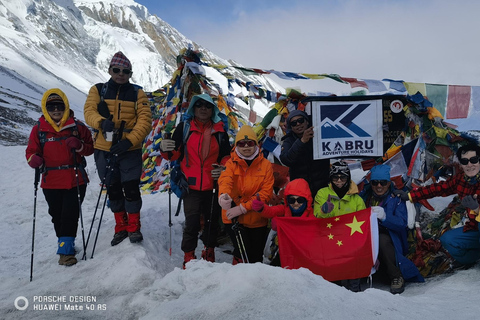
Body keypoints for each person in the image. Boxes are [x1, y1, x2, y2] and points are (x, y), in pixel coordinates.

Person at [84, 51, 152, 245]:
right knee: (113, 188)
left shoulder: (138, 93)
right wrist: (100, 122)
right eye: (117, 70)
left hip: (129, 150)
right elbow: (89, 111)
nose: (121, 74)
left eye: (125, 71)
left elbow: (145, 121)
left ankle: (133, 227)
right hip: (104, 149)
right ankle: (120, 226)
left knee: (130, 188)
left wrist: (130, 141)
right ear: (110, 70)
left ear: (130, 73)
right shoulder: (98, 90)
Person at [160, 94, 231, 268]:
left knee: (211, 221)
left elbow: (226, 156)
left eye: (207, 106)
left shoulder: (220, 131)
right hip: (190, 184)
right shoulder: (184, 127)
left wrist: (223, 168)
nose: (203, 108)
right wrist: (164, 149)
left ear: (212, 109)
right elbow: (174, 153)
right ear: (194, 108)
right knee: (191, 222)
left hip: (213, 184)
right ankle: (188, 255)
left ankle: (209, 250)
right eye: (199, 105)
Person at [26, 88, 94, 266]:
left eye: (59, 106)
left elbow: (90, 148)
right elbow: (31, 151)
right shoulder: (38, 130)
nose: (56, 110)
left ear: (66, 106)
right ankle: (66, 243)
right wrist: (33, 159)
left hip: (75, 179)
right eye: (51, 107)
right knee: (56, 215)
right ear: (45, 109)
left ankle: (65, 252)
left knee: (69, 215)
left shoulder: (78, 128)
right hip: (50, 181)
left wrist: (79, 146)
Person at [394, 143, 480, 267]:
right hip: (474, 228)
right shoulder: (461, 179)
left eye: (474, 160)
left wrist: (476, 208)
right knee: (448, 240)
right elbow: (439, 188)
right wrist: (410, 196)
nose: (469, 164)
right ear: (460, 164)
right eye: (465, 161)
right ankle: (473, 260)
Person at [360, 164, 424, 294]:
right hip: (367, 236)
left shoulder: (397, 199)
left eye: (383, 183)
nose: (379, 186)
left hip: (391, 239)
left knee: (382, 240)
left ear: (389, 183)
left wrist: (385, 217)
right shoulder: (364, 197)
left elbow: (402, 223)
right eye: (375, 182)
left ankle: (396, 276)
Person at [218, 125, 274, 264]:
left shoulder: (266, 165)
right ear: (236, 145)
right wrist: (223, 195)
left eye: (250, 143)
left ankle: (255, 281)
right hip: (233, 217)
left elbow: (266, 193)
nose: (246, 146)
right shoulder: (231, 164)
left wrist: (243, 208)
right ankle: (238, 278)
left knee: (256, 255)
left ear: (256, 144)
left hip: (256, 218)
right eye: (241, 143)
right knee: (242, 253)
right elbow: (225, 180)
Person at [313, 160, 366, 291]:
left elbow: (363, 223)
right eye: (335, 177)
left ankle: (354, 290)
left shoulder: (357, 199)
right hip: (329, 238)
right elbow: (316, 217)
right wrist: (324, 211)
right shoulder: (322, 194)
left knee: (355, 255)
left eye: (342, 177)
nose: (339, 180)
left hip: (350, 240)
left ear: (348, 178)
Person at [251, 178, 314, 266]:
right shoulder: (284, 209)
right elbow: (270, 211)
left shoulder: (312, 214)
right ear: (287, 200)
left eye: (300, 200)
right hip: (285, 251)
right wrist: (261, 208)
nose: (296, 203)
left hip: (304, 252)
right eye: (292, 200)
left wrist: (325, 212)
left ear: (307, 200)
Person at [280, 110, 330, 198]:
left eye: (300, 120)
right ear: (291, 127)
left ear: (307, 121)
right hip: (301, 191)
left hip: (322, 188)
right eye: (294, 123)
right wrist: (302, 141)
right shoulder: (289, 140)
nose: (298, 124)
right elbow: (286, 159)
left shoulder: (320, 134)